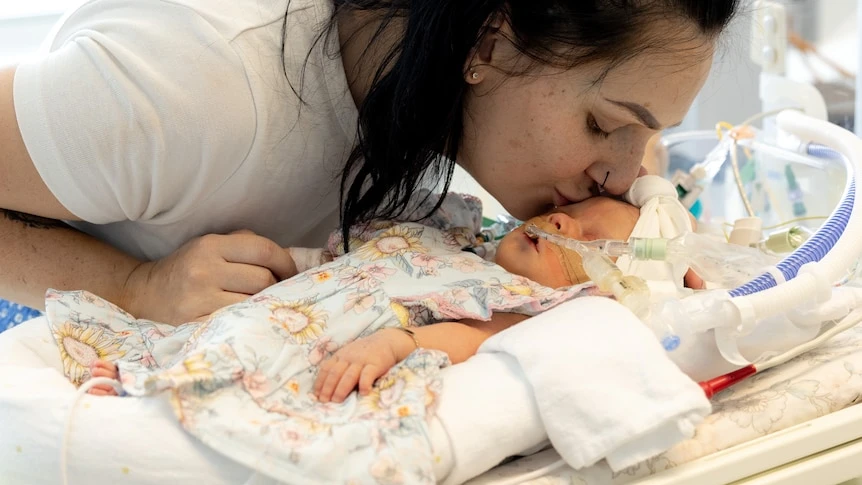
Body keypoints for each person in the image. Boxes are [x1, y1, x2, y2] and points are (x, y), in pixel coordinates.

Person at [0, 0, 739, 331]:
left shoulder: (427, 68)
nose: (619, 172)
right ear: (489, 44)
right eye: (604, 125)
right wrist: (132, 286)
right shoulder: (194, 89)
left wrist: (649, 254)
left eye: (643, 137)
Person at [59, 194, 639, 406]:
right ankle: (151, 361)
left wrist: (397, 342)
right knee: (235, 319)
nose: (565, 220)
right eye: (576, 210)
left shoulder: (523, 299)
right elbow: (351, 258)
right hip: (302, 298)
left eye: (590, 239)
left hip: (338, 335)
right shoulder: (451, 233)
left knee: (263, 353)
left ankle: (159, 387)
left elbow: (476, 335)